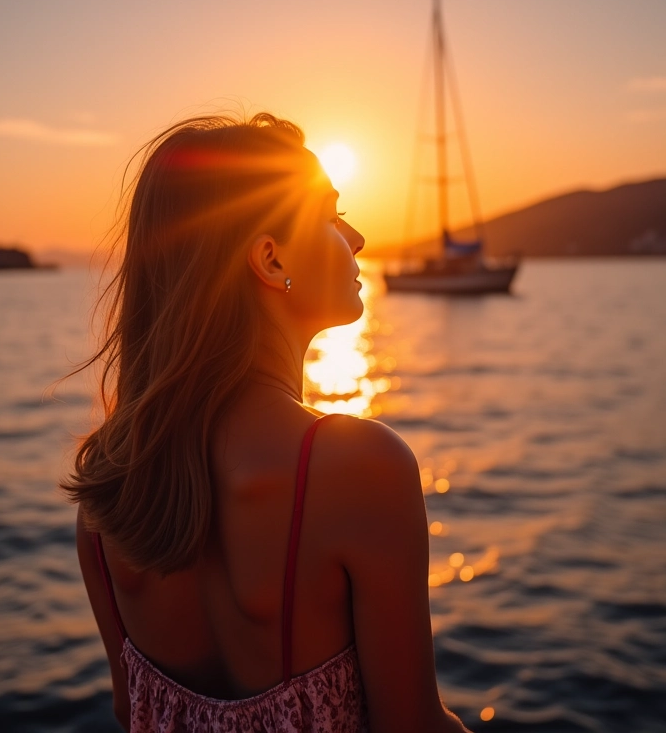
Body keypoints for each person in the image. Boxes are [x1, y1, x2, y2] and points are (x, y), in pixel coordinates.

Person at [62, 113, 473, 733]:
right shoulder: (361, 468)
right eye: (333, 216)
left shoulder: (105, 494)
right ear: (270, 257)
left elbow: (131, 714)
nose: (357, 237)